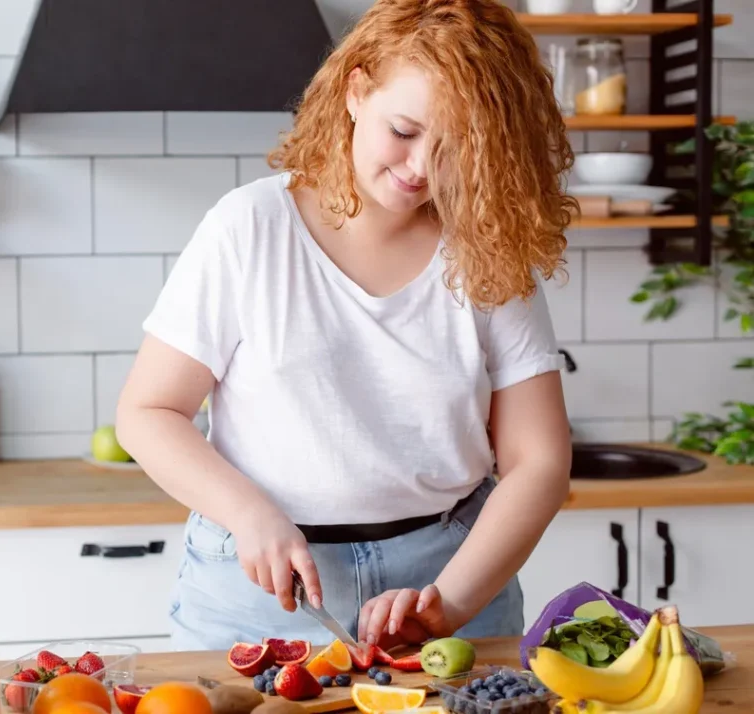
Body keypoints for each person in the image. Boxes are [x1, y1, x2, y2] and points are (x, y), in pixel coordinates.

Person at [115, 0, 574, 653]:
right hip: (262, 588)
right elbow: (147, 411)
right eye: (406, 130)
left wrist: (452, 600)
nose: (420, 168)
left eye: (454, 148)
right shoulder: (249, 227)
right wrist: (249, 513)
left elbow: (541, 460)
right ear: (357, 92)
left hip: (451, 577)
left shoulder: (486, 247)